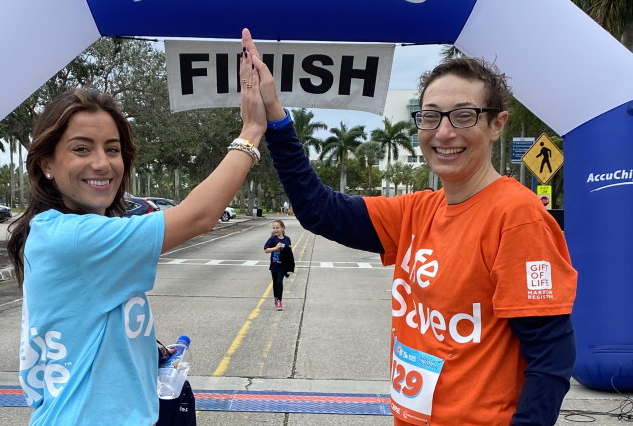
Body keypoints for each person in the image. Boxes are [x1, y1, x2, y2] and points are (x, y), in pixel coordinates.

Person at [240, 28, 577, 426]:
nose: (444, 132)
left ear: (497, 124)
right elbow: (318, 211)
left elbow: (551, 356)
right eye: (431, 116)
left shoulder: (516, 216)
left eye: (464, 115)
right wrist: (275, 118)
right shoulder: (417, 210)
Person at [7, 46, 265, 425]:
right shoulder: (74, 239)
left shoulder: (53, 228)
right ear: (46, 163)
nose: (102, 163)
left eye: (113, 149)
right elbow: (198, 216)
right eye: (81, 148)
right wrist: (252, 130)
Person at [263, 219, 293, 310]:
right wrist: (275, 248)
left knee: (280, 282)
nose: (275, 229)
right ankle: (276, 298)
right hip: (274, 264)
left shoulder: (287, 239)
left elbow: (289, 252)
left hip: (283, 265)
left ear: (283, 228)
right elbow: (266, 250)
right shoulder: (272, 239)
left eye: (277, 227)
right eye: (274, 228)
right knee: (275, 283)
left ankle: (279, 300)